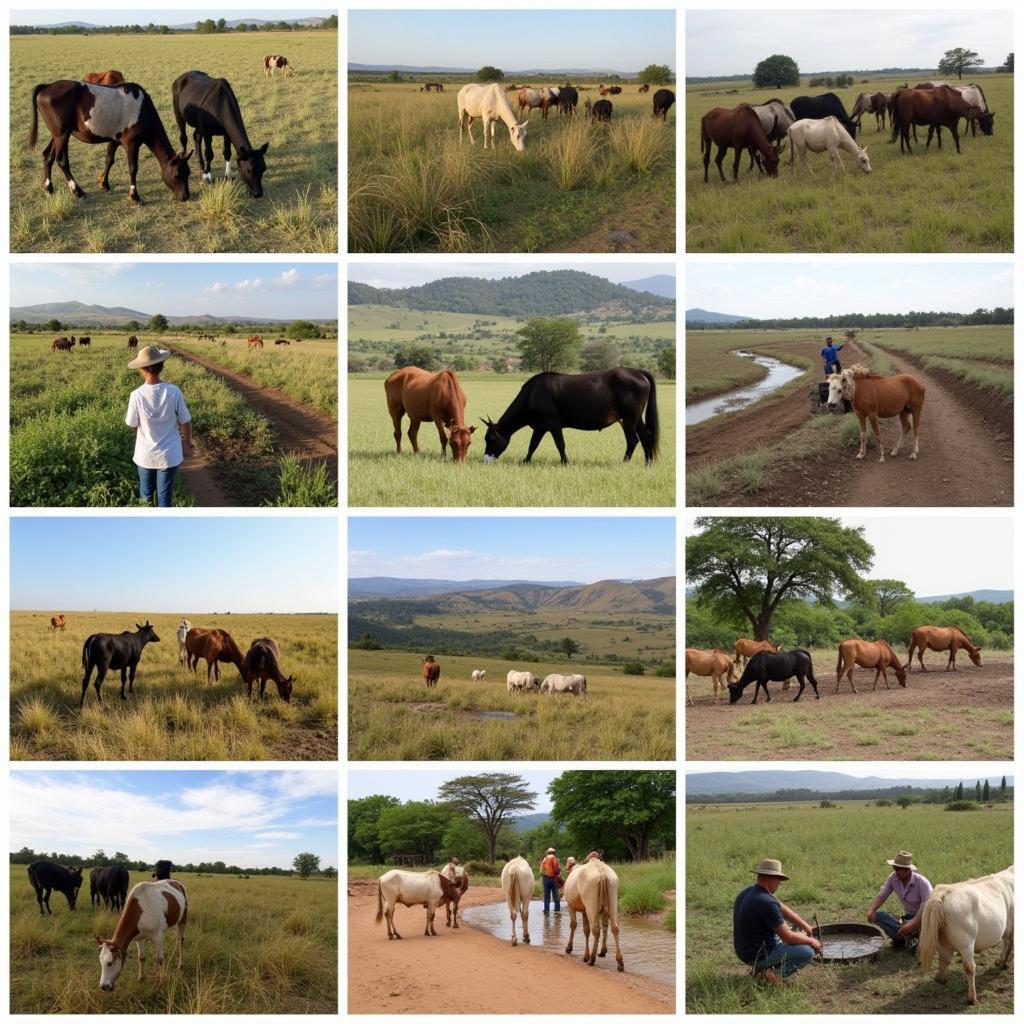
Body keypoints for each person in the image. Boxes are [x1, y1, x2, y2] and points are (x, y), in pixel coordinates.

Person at [733, 858, 821, 984]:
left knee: (796, 928)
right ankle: (773, 975)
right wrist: (812, 941)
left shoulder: (748, 892)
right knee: (807, 952)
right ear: (772, 878)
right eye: (779, 881)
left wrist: (806, 926)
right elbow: (788, 937)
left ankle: (758, 969)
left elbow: (782, 908)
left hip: (743, 951)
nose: (779, 884)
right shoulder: (766, 902)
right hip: (758, 955)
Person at [125, 345, 193, 508]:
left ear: (142, 369)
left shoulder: (136, 395)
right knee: (165, 497)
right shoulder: (174, 391)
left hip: (145, 455)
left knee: (146, 496)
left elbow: (132, 423)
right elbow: (185, 421)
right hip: (169, 456)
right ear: (161, 366)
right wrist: (187, 442)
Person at [867, 850, 933, 949]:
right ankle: (905, 936)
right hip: (907, 918)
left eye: (898, 869)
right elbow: (882, 896)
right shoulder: (893, 878)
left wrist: (911, 925)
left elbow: (926, 909)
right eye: (894, 868)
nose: (895, 871)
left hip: (924, 919)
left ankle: (910, 937)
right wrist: (871, 910)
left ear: (907, 870)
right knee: (877, 916)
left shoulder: (923, 883)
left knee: (912, 931)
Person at [539, 847, 561, 912]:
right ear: (554, 853)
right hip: (553, 879)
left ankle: (546, 910)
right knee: (556, 896)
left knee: (546, 896)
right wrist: (559, 871)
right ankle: (557, 911)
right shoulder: (555, 858)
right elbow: (556, 870)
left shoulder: (544, 859)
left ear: (547, 852)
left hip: (545, 879)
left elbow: (540, 871)